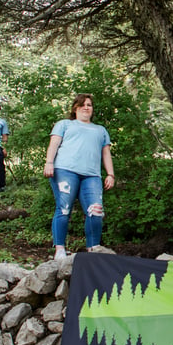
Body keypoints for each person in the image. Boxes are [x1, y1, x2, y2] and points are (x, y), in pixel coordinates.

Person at [44, 94, 116, 260]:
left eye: (89, 105)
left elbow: (106, 153)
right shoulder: (64, 124)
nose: (86, 107)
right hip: (65, 170)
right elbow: (53, 144)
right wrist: (49, 163)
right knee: (64, 208)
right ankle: (60, 249)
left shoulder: (100, 130)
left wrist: (110, 174)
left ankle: (93, 248)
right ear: (75, 108)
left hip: (92, 175)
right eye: (82, 105)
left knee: (96, 210)